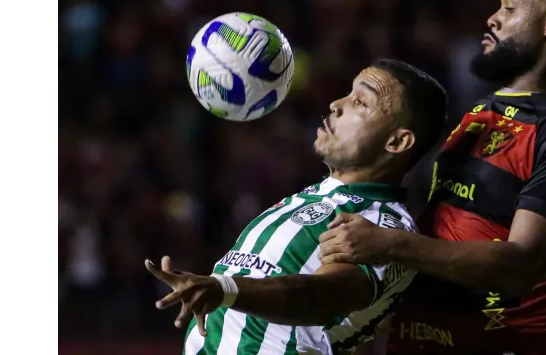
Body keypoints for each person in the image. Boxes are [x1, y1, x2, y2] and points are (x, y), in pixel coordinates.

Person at [318, 0, 546, 355]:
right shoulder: (482, 111)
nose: (493, 18)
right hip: (434, 337)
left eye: (509, 7)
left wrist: (389, 244)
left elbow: (522, 265)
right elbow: (451, 233)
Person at [145, 59, 448, 355]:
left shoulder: (383, 225)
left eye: (361, 103)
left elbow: (321, 297)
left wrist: (225, 289)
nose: (336, 104)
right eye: (348, 92)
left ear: (396, 142)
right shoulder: (318, 195)